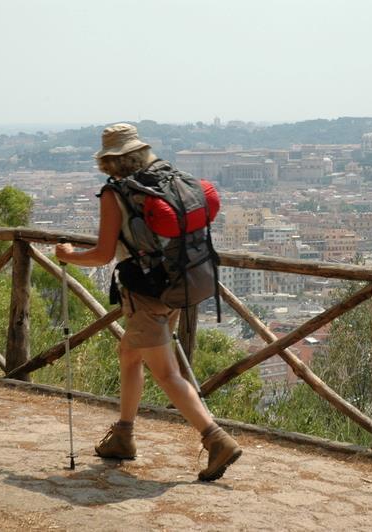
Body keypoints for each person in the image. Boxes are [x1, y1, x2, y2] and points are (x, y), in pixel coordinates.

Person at [55, 123, 241, 482]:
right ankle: (123, 435)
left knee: (167, 373)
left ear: (110, 161)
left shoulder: (116, 195)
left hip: (145, 293)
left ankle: (216, 439)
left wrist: (68, 256)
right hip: (180, 284)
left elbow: (103, 254)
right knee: (129, 353)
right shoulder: (172, 179)